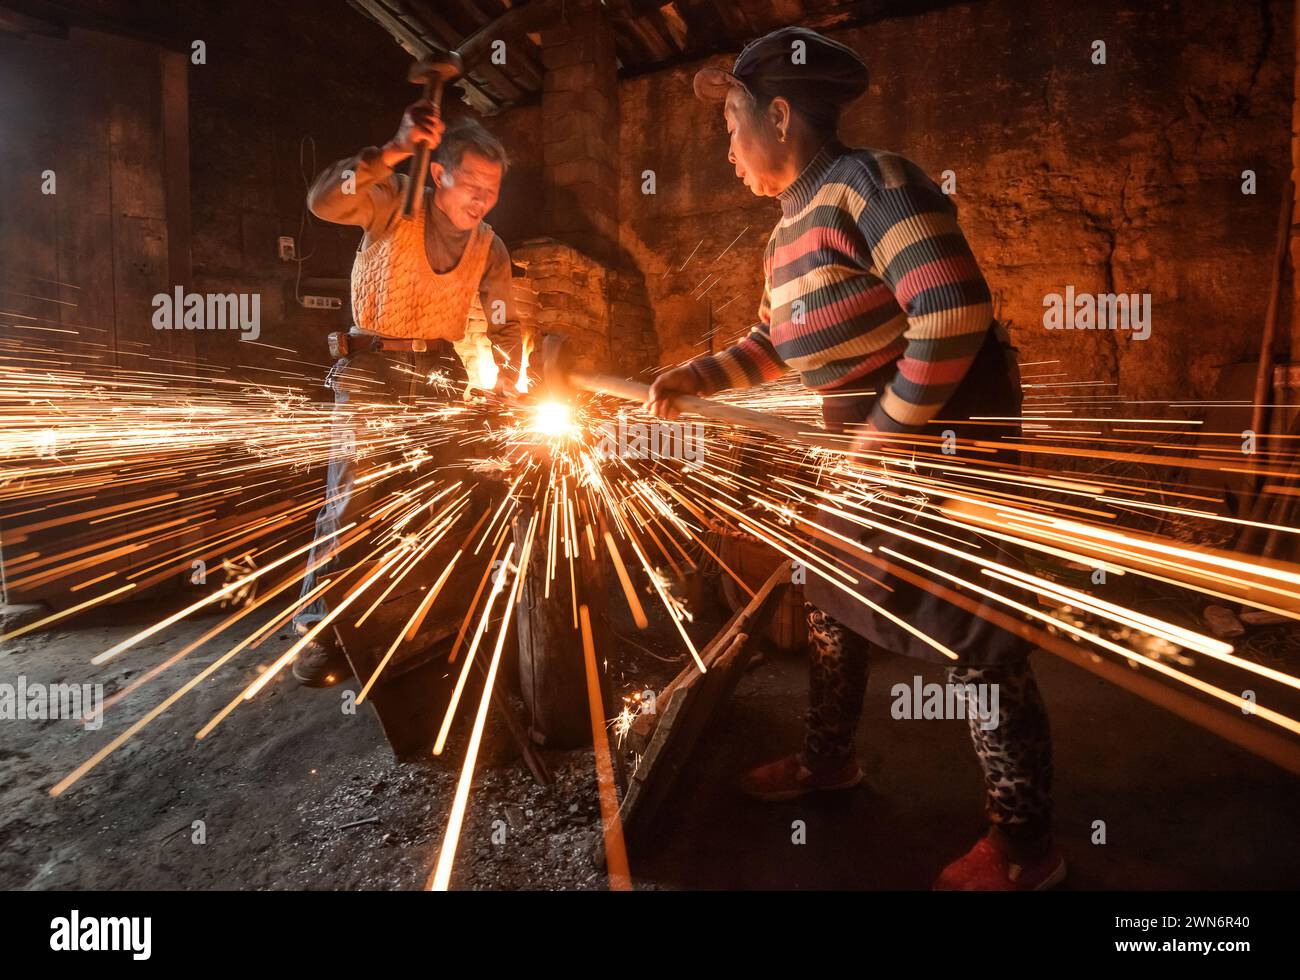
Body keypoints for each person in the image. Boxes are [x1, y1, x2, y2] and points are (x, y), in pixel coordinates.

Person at [646, 27, 1063, 891]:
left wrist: (882, 436)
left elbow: (951, 311)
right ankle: (828, 761)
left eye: (732, 121)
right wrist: (698, 375)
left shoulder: (871, 182)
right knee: (832, 590)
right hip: (875, 439)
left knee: (973, 628)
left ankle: (1025, 842)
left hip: (946, 437)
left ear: (782, 113)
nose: (725, 145)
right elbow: (783, 343)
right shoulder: (787, 230)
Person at [291, 103, 524, 686]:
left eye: (491, 189)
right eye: (470, 183)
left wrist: (513, 376)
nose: (480, 199)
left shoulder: (490, 246)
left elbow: (503, 320)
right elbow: (323, 200)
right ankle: (319, 630)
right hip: (370, 366)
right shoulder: (392, 198)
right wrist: (392, 149)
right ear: (439, 173)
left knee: (448, 492)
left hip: (438, 372)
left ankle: (429, 617)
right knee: (353, 498)